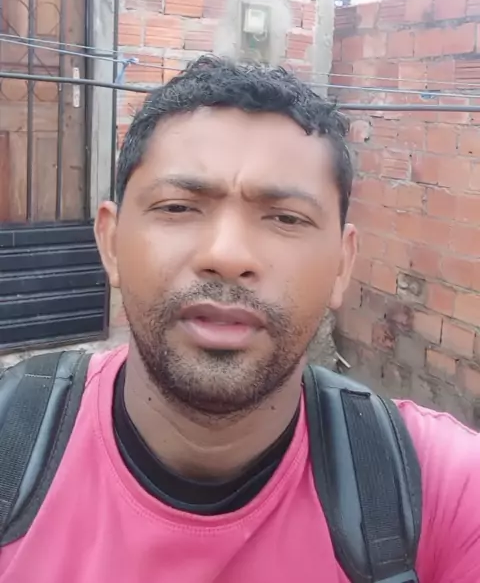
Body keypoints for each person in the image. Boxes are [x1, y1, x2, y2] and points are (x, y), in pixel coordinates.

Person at [0, 55, 478, 582]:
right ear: (111, 243)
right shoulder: (10, 446)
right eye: (178, 207)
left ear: (342, 265)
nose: (227, 255)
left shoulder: (447, 488)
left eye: (286, 218)